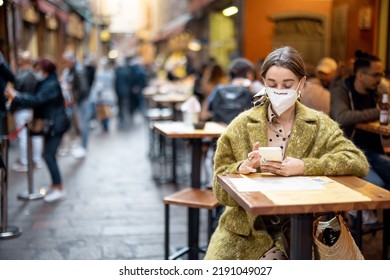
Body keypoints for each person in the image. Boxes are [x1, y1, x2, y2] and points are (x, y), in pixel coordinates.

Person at [204, 46, 369, 260]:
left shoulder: (319, 125)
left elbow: (357, 162)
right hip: (246, 231)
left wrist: (304, 166)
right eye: (272, 84)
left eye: (287, 84)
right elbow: (219, 190)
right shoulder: (241, 126)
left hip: (301, 229)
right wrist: (239, 170)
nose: (279, 90)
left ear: (301, 83)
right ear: (263, 82)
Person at [330, 50, 390, 226]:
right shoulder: (341, 91)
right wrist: (377, 111)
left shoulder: (376, 92)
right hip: (349, 153)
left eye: (382, 74)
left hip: (372, 151)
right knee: (377, 184)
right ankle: (356, 210)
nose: (380, 78)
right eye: (376, 74)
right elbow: (342, 117)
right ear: (361, 74)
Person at [5, 58, 71, 203]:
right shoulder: (46, 82)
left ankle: (59, 187)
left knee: (48, 155)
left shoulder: (51, 85)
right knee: (47, 155)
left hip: (55, 125)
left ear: (45, 71)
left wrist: (17, 97)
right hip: (52, 124)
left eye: (38, 70)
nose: (36, 73)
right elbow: (35, 98)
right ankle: (55, 185)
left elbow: (37, 100)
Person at [11, 51, 43, 172]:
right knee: (35, 135)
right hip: (32, 107)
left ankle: (25, 161)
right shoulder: (35, 75)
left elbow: (15, 92)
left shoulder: (20, 76)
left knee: (23, 136)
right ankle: (37, 159)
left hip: (22, 108)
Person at [61, 50, 91, 158]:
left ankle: (84, 147)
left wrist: (75, 99)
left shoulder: (78, 70)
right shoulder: (70, 70)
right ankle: (78, 145)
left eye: (66, 61)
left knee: (83, 123)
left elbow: (82, 88)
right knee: (77, 123)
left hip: (81, 101)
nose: (64, 63)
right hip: (75, 101)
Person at [89, 57, 116, 132]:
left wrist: (96, 94)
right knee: (107, 110)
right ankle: (106, 124)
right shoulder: (111, 73)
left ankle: (105, 125)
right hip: (109, 94)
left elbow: (98, 86)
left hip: (102, 95)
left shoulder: (100, 74)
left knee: (103, 110)